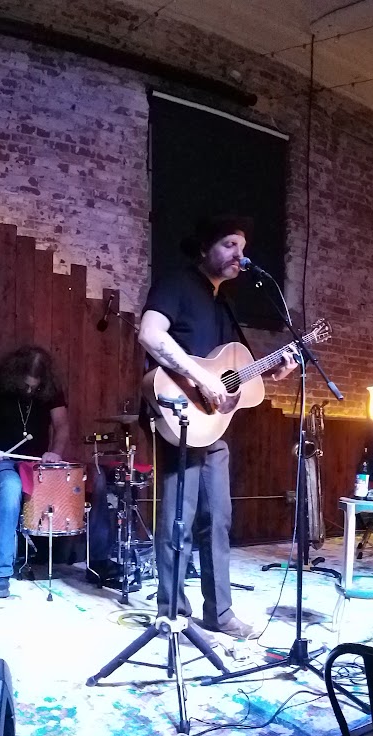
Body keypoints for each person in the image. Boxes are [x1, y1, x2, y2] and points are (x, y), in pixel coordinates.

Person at [137, 215, 296, 639]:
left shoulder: (223, 304)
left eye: (242, 248)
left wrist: (272, 370)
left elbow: (234, 372)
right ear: (205, 247)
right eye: (229, 245)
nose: (239, 256)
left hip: (213, 428)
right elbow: (150, 335)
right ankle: (173, 613)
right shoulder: (177, 284)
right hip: (178, 416)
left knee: (219, 519)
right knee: (178, 518)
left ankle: (219, 613)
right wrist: (201, 379)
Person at [0, 346, 69, 598]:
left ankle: (50, 559)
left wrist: (55, 452)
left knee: (66, 481)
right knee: (11, 486)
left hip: (34, 464)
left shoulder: (50, 388)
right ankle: (0, 573)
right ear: (14, 375)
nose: (30, 391)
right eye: (26, 386)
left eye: (35, 388)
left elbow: (62, 425)